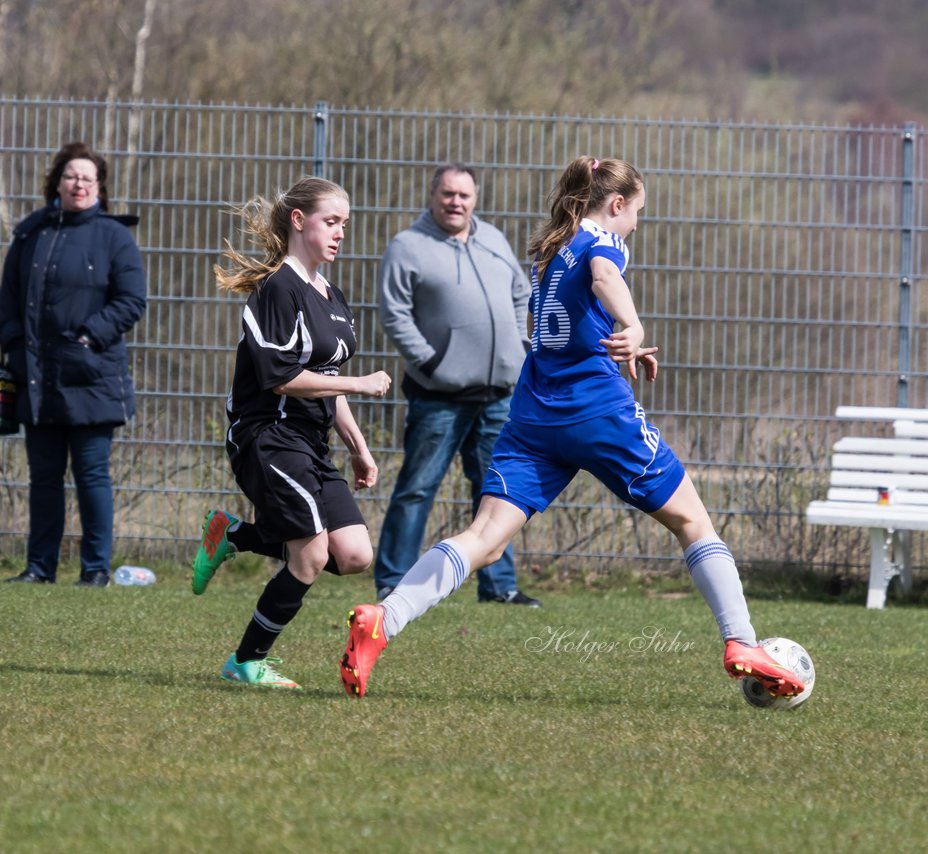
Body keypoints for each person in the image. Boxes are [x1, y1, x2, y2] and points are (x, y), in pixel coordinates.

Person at [339, 156, 808, 702]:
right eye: (636, 212)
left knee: (483, 540)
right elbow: (606, 275)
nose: (635, 223)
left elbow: (575, 312)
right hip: (596, 412)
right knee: (694, 523)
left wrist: (620, 335)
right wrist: (632, 326)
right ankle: (742, 644)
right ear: (614, 206)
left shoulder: (551, 247)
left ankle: (383, 619)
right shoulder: (600, 242)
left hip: (534, 414)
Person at [195, 176, 392, 690]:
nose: (340, 233)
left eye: (345, 224)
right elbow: (282, 378)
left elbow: (326, 383)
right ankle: (245, 662)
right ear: (299, 221)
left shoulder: (331, 294)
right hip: (266, 437)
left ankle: (233, 534)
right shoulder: (277, 289)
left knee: (353, 555)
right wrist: (362, 382)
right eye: (332, 222)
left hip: (310, 443)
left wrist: (358, 447)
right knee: (310, 555)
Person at [373, 162, 539, 606]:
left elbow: (523, 293)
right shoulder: (408, 246)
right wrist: (430, 361)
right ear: (433, 196)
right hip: (439, 396)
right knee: (416, 488)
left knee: (498, 493)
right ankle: (393, 582)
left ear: (475, 198)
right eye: (447, 193)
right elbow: (394, 313)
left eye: (464, 195)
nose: (455, 202)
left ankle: (499, 587)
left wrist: (521, 346)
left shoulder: (494, 240)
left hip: (499, 395)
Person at [0, 142, 147, 586]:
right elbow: (8, 297)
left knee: (91, 475)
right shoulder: (32, 234)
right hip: (37, 375)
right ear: (56, 183)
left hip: (91, 375)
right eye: (70, 176)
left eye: (87, 177)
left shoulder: (114, 237)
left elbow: (131, 300)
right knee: (43, 476)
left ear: (99, 187)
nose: (78, 183)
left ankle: (95, 569)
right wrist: (12, 342)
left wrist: (88, 338)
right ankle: (39, 567)